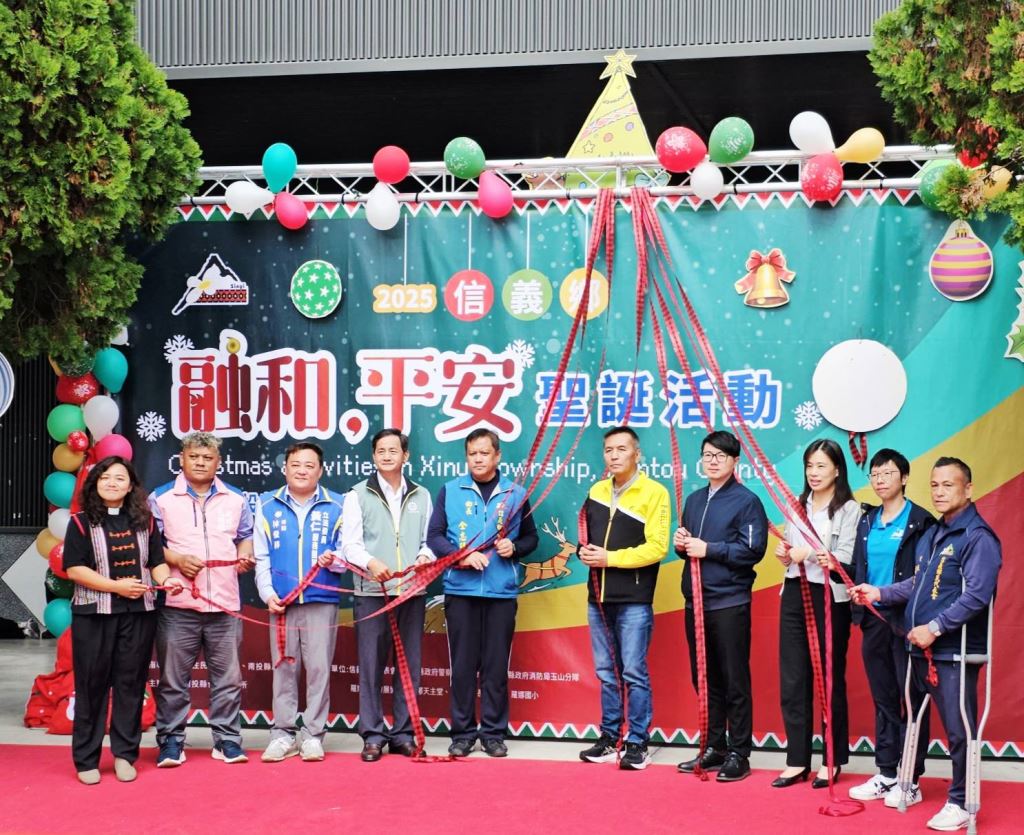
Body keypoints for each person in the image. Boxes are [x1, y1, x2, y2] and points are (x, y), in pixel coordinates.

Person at [853, 457, 1001, 832]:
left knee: (959, 729)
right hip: (919, 647)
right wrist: (880, 592)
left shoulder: (977, 537)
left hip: (954, 650)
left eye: (948, 485)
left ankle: (961, 802)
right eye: (935, 485)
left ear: (968, 489)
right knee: (913, 717)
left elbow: (977, 595)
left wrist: (934, 627)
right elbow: (917, 584)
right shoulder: (935, 534)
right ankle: (905, 782)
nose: (939, 492)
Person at [64, 456, 184, 784]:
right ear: (95, 484)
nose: (112, 483)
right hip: (94, 616)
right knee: (91, 686)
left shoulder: (145, 522)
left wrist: (167, 580)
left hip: (139, 614)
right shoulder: (80, 523)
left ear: (131, 486)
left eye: (119, 478)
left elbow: (156, 562)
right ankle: (86, 759)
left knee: (130, 685)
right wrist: (116, 587)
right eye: (105, 477)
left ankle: (125, 755)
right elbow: (75, 569)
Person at [426, 428, 538, 758]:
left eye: (484, 453)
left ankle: (492, 733)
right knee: (462, 667)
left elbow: (531, 538)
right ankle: (462, 734)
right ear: (466, 456)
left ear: (497, 456)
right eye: (472, 453)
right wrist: (460, 555)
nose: (478, 459)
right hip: (460, 592)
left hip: (501, 592)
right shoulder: (450, 490)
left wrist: (514, 547)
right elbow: (435, 537)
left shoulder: (515, 494)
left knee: (495, 667)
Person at [149, 432, 255, 767]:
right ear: (181, 459)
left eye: (207, 458)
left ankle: (227, 741)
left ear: (218, 462)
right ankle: (171, 742)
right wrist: (177, 560)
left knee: (228, 681)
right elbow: (150, 547)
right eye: (193, 456)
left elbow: (246, 536)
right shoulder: (161, 498)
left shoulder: (236, 499)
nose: (200, 463)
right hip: (178, 606)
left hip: (225, 605)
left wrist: (244, 556)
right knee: (172, 681)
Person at [674, 431, 768, 782]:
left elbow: (752, 551)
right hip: (695, 601)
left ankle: (739, 752)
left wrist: (709, 549)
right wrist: (681, 544)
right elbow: (689, 549)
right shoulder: (695, 499)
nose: (712, 461)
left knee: (734, 679)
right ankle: (714, 746)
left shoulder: (747, 501)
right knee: (704, 677)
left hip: (729, 601)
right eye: (707, 455)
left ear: (735, 461)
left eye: (720, 456)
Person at [578, 426, 670, 771]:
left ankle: (637, 742)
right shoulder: (597, 490)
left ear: (637, 453)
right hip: (598, 597)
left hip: (633, 598)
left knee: (633, 672)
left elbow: (657, 547)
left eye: (621, 449)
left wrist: (610, 558)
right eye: (609, 450)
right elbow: (590, 539)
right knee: (606, 672)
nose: (614, 455)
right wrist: (585, 552)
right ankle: (609, 737)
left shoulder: (654, 492)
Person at [848, 449, 935, 807]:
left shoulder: (921, 522)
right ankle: (886, 772)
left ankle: (910, 778)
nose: (880, 480)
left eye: (888, 473)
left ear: (904, 477)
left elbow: (925, 578)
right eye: (875, 474)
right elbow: (860, 566)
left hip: (906, 623)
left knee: (911, 700)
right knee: (883, 698)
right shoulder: (867, 521)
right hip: (873, 620)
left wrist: (884, 593)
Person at [772, 438, 860, 789]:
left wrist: (807, 553)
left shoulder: (849, 509)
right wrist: (785, 554)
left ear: (837, 470)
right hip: (795, 592)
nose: (814, 472)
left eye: (821, 465)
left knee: (828, 679)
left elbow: (846, 559)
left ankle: (831, 759)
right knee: (793, 679)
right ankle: (797, 760)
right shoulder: (797, 504)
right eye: (809, 465)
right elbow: (791, 551)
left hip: (829, 596)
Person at [342, 428, 435, 762]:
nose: (386, 455)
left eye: (393, 450)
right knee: (370, 666)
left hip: (411, 592)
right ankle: (372, 735)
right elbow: (349, 545)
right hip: (371, 591)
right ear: (373, 455)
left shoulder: (422, 495)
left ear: (405, 455)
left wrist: (425, 556)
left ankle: (404, 735)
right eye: (380, 450)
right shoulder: (357, 495)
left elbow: (430, 539)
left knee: (409, 667)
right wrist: (370, 562)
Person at [254, 442, 346, 763]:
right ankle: (282, 734)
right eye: (296, 465)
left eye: (309, 465)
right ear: (285, 469)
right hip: (282, 602)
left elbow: (348, 555)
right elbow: (261, 557)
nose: (302, 471)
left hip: (322, 599)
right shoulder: (267, 504)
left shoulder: (339, 505)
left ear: (320, 471)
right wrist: (268, 594)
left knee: (319, 669)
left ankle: (313, 735)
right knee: (284, 668)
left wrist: (335, 560)